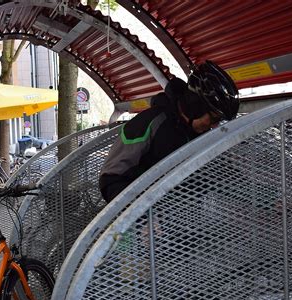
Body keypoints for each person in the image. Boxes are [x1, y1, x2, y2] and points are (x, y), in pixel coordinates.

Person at [99, 60, 240, 202]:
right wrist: (141, 215)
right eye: (213, 119)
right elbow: (110, 179)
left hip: (185, 217)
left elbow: (222, 174)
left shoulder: (202, 134)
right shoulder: (150, 122)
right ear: (195, 107)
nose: (213, 126)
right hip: (148, 216)